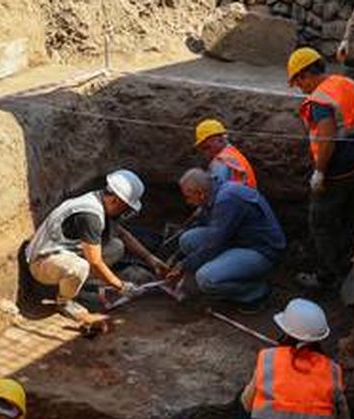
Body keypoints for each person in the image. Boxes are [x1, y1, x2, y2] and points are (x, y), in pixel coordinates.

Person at [26, 169, 169, 327]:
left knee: (116, 247)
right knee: (80, 267)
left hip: (63, 254)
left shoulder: (101, 199)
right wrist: (121, 286)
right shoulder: (90, 216)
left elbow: (123, 235)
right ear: (116, 200)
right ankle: (64, 302)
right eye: (126, 207)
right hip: (42, 262)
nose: (126, 212)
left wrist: (150, 259)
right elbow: (95, 262)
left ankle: (76, 284)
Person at [286, 48, 354, 292]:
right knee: (351, 218)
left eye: (298, 81)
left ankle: (326, 276)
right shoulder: (346, 83)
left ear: (306, 74)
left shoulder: (319, 101)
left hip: (338, 170)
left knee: (321, 222)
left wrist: (320, 172)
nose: (299, 88)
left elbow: (327, 138)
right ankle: (347, 264)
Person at [240, 299, 354, 419]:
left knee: (242, 411)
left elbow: (246, 405)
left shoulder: (269, 359)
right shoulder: (332, 369)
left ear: (285, 332)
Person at [166, 168, 286, 311]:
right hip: (237, 239)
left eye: (189, 197)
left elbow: (214, 243)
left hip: (261, 250)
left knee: (205, 279)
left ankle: (257, 292)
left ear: (201, 193)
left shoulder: (227, 199)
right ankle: (224, 272)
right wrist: (178, 257)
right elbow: (207, 228)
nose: (188, 202)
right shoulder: (214, 192)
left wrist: (184, 265)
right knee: (187, 239)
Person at [195, 118, 258, 188]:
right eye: (203, 149)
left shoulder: (221, 160)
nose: (207, 153)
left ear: (220, 139)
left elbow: (217, 189)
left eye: (207, 147)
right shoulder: (233, 153)